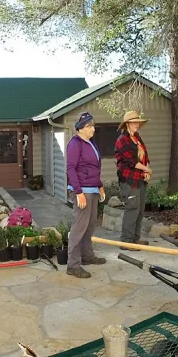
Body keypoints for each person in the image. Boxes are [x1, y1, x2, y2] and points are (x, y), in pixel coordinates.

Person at [65, 112, 108, 278]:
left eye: (93, 126)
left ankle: (87, 256)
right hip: (82, 192)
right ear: (80, 128)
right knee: (79, 227)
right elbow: (71, 169)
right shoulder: (75, 144)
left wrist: (100, 186)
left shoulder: (91, 143)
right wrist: (78, 192)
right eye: (90, 126)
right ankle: (73, 265)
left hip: (93, 190)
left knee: (90, 226)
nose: (93, 129)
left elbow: (94, 169)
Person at [115, 111, 152, 246]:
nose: (137, 124)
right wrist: (146, 169)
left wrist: (147, 169)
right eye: (134, 122)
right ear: (127, 124)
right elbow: (130, 161)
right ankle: (127, 241)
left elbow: (144, 155)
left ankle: (135, 239)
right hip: (129, 180)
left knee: (140, 210)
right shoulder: (122, 140)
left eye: (138, 122)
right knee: (132, 209)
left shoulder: (137, 138)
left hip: (140, 178)